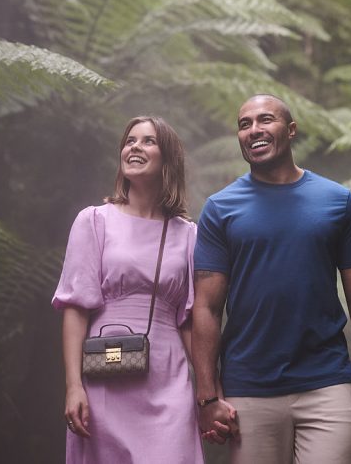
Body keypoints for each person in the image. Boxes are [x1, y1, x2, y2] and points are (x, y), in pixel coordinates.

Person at [191, 94, 351, 463]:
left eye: (265, 120)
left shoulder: (337, 202)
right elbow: (206, 307)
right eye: (244, 124)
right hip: (248, 386)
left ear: (290, 131)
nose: (254, 129)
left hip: (326, 383)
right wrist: (207, 396)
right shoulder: (220, 208)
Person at [53, 116, 233, 463]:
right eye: (130, 140)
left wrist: (211, 394)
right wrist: (73, 386)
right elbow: (76, 307)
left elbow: (190, 322)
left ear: (168, 159)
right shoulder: (93, 220)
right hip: (106, 373)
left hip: (168, 377)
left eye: (148, 141)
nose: (135, 147)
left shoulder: (188, 235)